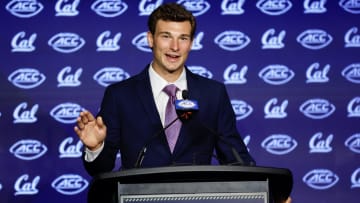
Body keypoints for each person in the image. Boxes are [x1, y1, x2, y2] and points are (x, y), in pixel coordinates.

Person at [75, 3, 291, 203]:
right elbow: (101, 168)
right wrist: (95, 147)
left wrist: (272, 197)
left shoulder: (212, 94)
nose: (175, 47)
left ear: (192, 43)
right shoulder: (120, 95)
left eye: (183, 38)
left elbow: (237, 159)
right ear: (150, 39)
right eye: (166, 36)